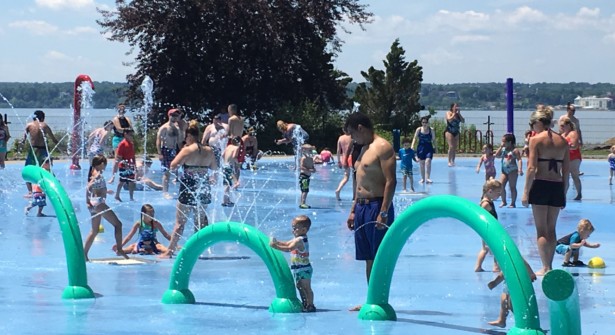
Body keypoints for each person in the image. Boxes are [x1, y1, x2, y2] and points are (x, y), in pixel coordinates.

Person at [344, 112, 396, 311]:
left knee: (379, 256)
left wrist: (383, 212)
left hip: (377, 205)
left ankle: (380, 300)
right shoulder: (363, 148)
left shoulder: (382, 147)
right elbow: (360, 182)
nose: (351, 138)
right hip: (362, 207)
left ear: (360, 128)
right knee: (368, 257)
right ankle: (371, 299)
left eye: (351, 133)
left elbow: (391, 181)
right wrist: (353, 210)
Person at [522, 105, 570, 276]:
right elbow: (566, 171)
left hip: (541, 184)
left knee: (541, 230)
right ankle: (550, 265)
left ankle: (546, 266)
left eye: (532, 124)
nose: (531, 128)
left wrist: (526, 192)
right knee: (552, 228)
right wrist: (563, 193)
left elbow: (531, 168)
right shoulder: (563, 141)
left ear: (539, 123)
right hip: (556, 185)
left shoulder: (536, 140)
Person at [160, 120, 218, 258]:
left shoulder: (187, 150)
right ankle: (197, 251)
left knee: (180, 223)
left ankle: (169, 251)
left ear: (189, 136)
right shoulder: (209, 150)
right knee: (199, 222)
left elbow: (173, 165)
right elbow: (215, 168)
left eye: (186, 137)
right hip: (203, 186)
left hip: (188, 186)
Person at [83, 154, 129, 261]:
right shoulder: (97, 173)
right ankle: (120, 249)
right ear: (102, 164)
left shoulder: (92, 172)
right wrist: (87, 200)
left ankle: (84, 254)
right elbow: (89, 186)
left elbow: (94, 188)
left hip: (94, 204)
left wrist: (104, 192)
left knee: (94, 231)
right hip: (99, 204)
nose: (105, 167)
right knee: (118, 224)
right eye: (105, 164)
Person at [269, 215, 315, 312]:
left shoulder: (299, 240)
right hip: (298, 268)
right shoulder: (297, 239)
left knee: (306, 287)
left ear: (303, 230)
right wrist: (277, 242)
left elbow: (288, 248)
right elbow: (286, 243)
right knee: (300, 286)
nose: (292, 230)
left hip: (304, 268)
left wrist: (275, 247)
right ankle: (305, 303)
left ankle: (310, 305)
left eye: (295, 228)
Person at [487, 259, 536, 328]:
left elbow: (523, 262)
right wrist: (495, 282)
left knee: (512, 304)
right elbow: (504, 271)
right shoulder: (505, 256)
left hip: (517, 282)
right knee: (504, 299)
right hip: (510, 281)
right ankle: (501, 320)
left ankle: (526, 322)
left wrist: (531, 273)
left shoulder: (510, 254)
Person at [22, 110, 58, 196]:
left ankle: (30, 191)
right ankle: (53, 187)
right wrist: (60, 147)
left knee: (28, 169)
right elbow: (53, 139)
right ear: (42, 118)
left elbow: (23, 140)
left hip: (33, 151)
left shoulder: (29, 125)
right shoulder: (44, 126)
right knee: (48, 169)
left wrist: (21, 145)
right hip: (43, 150)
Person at [474, 178, 502, 272]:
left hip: (488, 229)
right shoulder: (486, 204)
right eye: (498, 192)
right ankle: (495, 267)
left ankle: (478, 267)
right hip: (488, 229)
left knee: (486, 249)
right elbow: (480, 216)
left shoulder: (487, 201)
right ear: (490, 191)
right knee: (496, 248)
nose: (499, 195)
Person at [157, 109, 183, 198]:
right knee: (166, 172)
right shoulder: (164, 127)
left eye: (176, 115)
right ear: (169, 116)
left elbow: (179, 141)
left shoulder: (177, 128)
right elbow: (158, 140)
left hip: (174, 150)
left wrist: (183, 150)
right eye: (173, 115)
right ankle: (165, 192)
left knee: (176, 170)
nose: (175, 117)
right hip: (166, 150)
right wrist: (159, 153)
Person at [494, 134, 523, 208]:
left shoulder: (515, 150)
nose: (502, 143)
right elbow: (497, 155)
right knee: (501, 185)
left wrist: (520, 169)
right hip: (504, 170)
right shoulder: (503, 149)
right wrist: (500, 147)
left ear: (510, 142)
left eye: (504, 141)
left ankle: (513, 203)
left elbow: (519, 159)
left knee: (512, 186)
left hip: (512, 170)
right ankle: (504, 201)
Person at [109, 128, 136, 202]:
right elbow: (118, 157)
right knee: (122, 181)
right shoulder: (122, 144)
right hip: (123, 166)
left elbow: (133, 156)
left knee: (132, 182)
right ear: (125, 134)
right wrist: (125, 163)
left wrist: (134, 165)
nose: (131, 136)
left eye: (132, 135)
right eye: (130, 135)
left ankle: (131, 197)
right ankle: (117, 195)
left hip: (130, 165)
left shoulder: (131, 144)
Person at [559, 116, 582, 200]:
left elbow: (574, 146)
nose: (561, 127)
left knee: (574, 175)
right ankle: (563, 194)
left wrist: (565, 147)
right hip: (565, 158)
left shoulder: (573, 133)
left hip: (574, 157)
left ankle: (579, 193)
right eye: (561, 126)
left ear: (568, 125)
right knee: (565, 176)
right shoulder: (562, 135)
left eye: (563, 125)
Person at [411, 116, 435, 184]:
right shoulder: (419, 129)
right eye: (423, 122)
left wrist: (436, 148)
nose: (424, 124)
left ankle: (428, 178)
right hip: (421, 148)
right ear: (421, 123)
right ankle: (422, 178)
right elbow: (415, 138)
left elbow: (434, 140)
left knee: (428, 161)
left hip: (429, 147)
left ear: (428, 123)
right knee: (421, 163)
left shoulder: (431, 130)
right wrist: (412, 145)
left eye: (426, 122)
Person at [221, 136, 241, 207]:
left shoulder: (228, 146)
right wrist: (237, 164)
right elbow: (234, 156)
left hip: (224, 165)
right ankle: (224, 201)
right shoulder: (236, 148)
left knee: (227, 183)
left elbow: (223, 155)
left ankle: (227, 200)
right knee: (229, 184)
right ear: (238, 142)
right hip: (229, 166)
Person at [445, 103, 465, 167]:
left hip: (456, 132)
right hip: (449, 131)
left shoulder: (458, 115)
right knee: (451, 147)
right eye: (455, 107)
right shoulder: (449, 113)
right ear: (452, 107)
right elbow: (449, 120)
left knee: (454, 147)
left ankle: (453, 161)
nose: (457, 108)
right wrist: (453, 114)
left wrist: (459, 113)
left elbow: (463, 121)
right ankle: (449, 161)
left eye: (457, 107)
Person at [335, 128, 352, 201]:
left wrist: (338, 161)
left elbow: (338, 151)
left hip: (344, 158)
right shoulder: (352, 137)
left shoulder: (340, 138)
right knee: (355, 178)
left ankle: (338, 189)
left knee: (346, 177)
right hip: (352, 157)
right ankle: (355, 196)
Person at [299, 144, 316, 209]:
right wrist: (309, 170)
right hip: (303, 176)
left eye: (311, 151)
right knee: (305, 190)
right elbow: (301, 167)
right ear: (304, 151)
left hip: (307, 176)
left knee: (305, 190)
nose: (311, 152)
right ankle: (303, 203)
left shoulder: (311, 159)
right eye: (309, 150)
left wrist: (313, 170)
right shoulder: (303, 158)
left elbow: (313, 168)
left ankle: (302, 203)